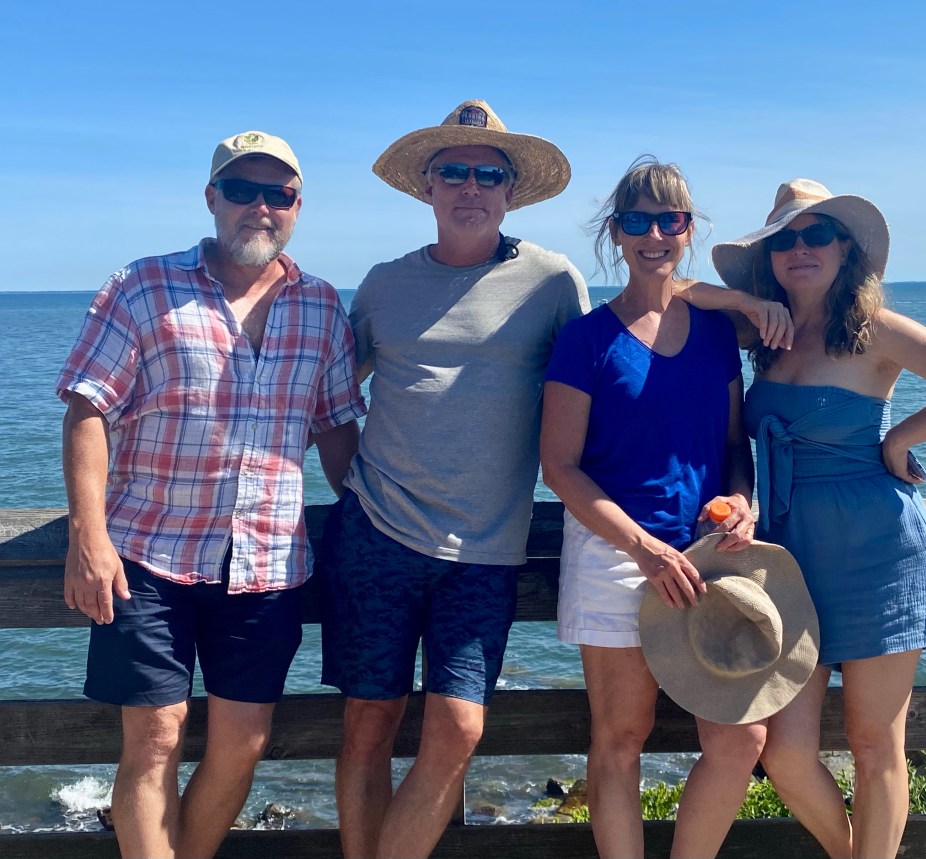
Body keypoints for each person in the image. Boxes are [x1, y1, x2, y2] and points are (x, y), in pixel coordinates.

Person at [57, 130, 366, 859]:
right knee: (154, 739)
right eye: (241, 190)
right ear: (211, 198)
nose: (260, 206)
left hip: (267, 563)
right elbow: (88, 409)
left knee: (244, 742)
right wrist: (87, 536)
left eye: (278, 194)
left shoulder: (321, 305)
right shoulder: (143, 285)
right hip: (146, 554)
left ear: (297, 206)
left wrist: (380, 521)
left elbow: (336, 430)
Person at [317, 99, 591, 859]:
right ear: (427, 187)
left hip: (485, 550)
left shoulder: (553, 281)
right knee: (368, 724)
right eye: (455, 171)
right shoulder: (384, 283)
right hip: (375, 538)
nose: (472, 186)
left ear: (511, 192)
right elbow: (330, 398)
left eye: (489, 174)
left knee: (460, 728)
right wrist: (353, 490)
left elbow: (602, 381)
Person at [711, 178, 926, 858]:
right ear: (769, 258)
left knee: (875, 744)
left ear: (846, 248)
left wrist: (900, 437)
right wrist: (742, 301)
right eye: (784, 239)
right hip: (790, 555)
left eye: (817, 233)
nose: (800, 248)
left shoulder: (872, 326)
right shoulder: (765, 333)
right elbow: (670, 295)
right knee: (784, 752)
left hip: (878, 550)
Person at [539, 157, 794, 859]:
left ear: (687, 229)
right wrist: (645, 549)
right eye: (637, 220)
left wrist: (743, 500)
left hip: (711, 557)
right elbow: (559, 466)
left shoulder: (715, 333)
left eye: (669, 220)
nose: (653, 234)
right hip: (616, 555)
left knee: (740, 737)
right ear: (615, 233)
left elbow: (734, 443)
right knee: (620, 738)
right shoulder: (586, 339)